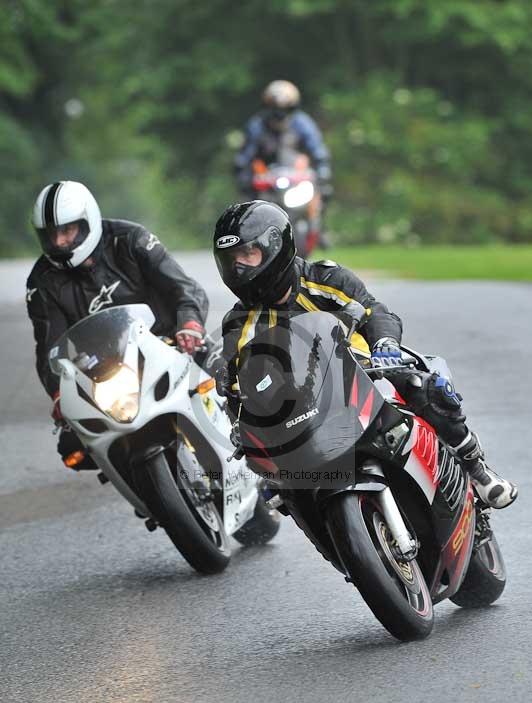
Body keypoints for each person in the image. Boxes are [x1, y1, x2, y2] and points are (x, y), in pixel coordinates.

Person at [212, 200, 517, 510]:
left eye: (248, 255)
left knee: (422, 386)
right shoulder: (237, 324)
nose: (240, 268)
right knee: (283, 492)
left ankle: (477, 471)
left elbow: (375, 311)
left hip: (363, 373)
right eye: (231, 259)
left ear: (276, 246)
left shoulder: (324, 279)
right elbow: (240, 384)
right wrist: (241, 415)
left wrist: (385, 343)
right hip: (299, 409)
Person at [26, 180, 216, 469]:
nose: (60, 242)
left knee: (229, 372)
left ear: (87, 222)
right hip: (104, 373)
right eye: (52, 235)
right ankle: (145, 494)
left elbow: (182, 288)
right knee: (72, 449)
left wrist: (189, 324)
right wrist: (57, 394)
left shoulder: (130, 239)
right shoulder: (42, 281)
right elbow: (49, 347)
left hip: (169, 344)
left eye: (67, 230)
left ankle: (270, 452)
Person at [234, 80, 333, 208]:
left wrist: (322, 171)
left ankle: (314, 227)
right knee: (247, 211)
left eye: (286, 109)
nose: (280, 115)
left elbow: (318, 151)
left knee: (317, 201)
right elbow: (244, 158)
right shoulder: (256, 126)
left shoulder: (302, 124)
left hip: (298, 184)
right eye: (274, 110)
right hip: (265, 187)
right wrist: (244, 178)